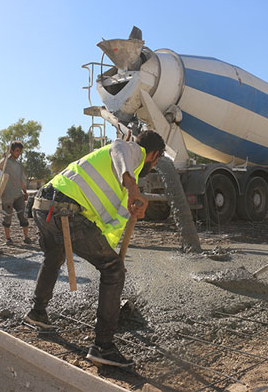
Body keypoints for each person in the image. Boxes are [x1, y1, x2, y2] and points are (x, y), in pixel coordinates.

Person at [23, 129, 165, 367]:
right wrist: (133, 189)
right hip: (63, 209)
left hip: (44, 206)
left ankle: (37, 312)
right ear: (155, 155)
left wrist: (111, 259)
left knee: (56, 254)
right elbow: (119, 147)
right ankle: (103, 347)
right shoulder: (133, 152)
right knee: (112, 270)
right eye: (157, 159)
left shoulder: (115, 175)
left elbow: (103, 228)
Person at [0, 141, 31, 245]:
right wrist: (6, 156)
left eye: (20, 151)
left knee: (23, 216)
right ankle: (8, 239)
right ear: (11, 151)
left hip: (18, 194)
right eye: (16, 151)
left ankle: (26, 237)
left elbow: (21, 180)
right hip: (7, 195)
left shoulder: (19, 165)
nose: (18, 153)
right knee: (7, 217)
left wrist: (25, 192)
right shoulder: (6, 162)